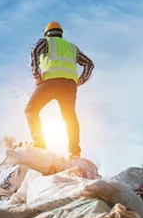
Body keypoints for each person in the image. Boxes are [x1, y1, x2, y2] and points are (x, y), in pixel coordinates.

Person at [25, 21, 94, 159]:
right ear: (61, 34)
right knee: (70, 117)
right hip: (69, 86)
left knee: (31, 110)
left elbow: (34, 51)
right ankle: (74, 152)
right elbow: (89, 64)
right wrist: (80, 80)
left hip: (51, 82)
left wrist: (36, 75)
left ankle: (39, 144)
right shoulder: (72, 48)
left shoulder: (46, 42)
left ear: (47, 33)